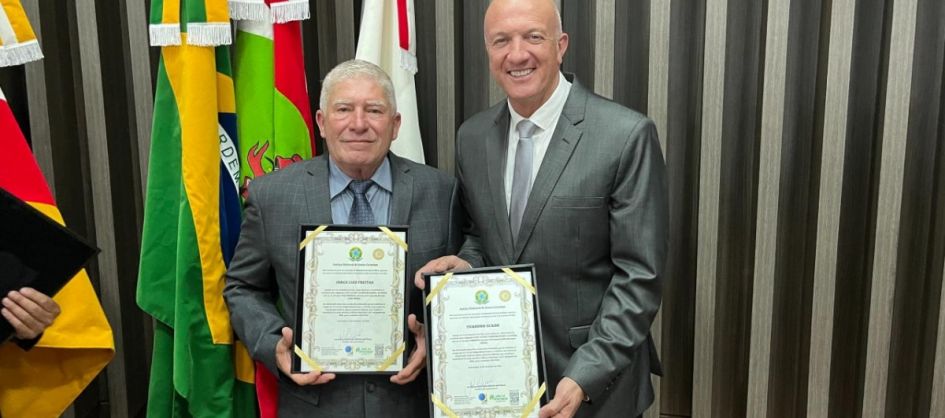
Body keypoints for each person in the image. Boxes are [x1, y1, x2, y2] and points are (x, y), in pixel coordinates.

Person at [417, 0, 668, 416]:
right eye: (502, 40)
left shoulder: (625, 135)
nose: (517, 54)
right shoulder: (473, 137)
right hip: (499, 385)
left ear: (561, 44)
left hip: (595, 386)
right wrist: (465, 264)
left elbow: (639, 276)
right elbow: (484, 234)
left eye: (533, 36)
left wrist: (585, 375)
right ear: (488, 50)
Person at [223, 59, 462, 417]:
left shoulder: (441, 193)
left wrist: (437, 337)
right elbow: (242, 287)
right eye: (344, 109)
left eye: (375, 110)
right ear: (321, 122)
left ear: (395, 125)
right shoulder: (271, 196)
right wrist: (275, 346)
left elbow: (459, 284)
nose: (359, 124)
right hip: (313, 404)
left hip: (409, 404)